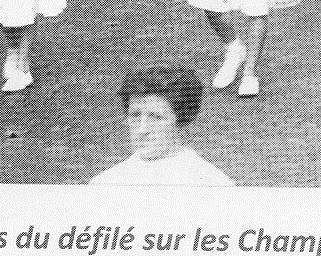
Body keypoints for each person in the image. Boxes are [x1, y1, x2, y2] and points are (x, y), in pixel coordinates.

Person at [89, 65, 234, 186]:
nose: (142, 129)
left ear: (181, 119)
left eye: (156, 117)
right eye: (135, 115)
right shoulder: (104, 184)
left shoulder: (213, 185)